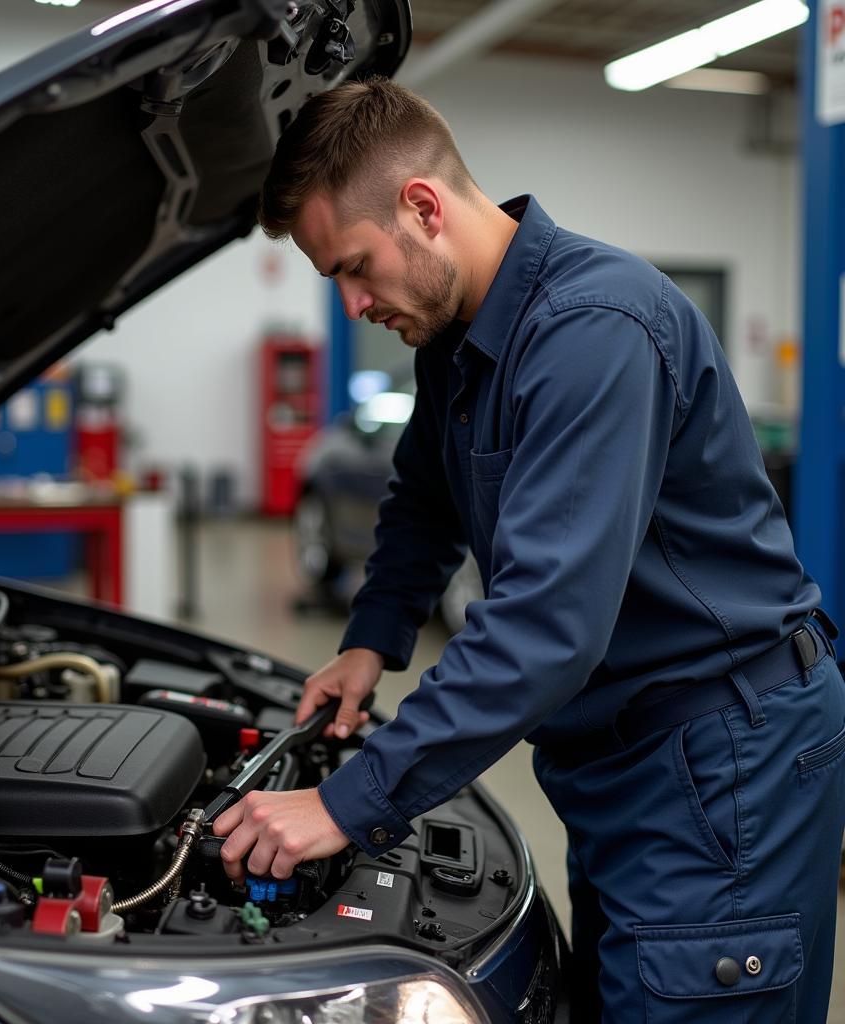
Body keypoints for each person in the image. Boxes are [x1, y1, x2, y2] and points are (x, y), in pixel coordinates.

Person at [212, 77, 845, 1021]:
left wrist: (347, 803)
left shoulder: (594, 331)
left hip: (722, 763)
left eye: (353, 266)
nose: (350, 305)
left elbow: (548, 625)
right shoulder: (459, 341)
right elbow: (424, 498)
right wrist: (371, 641)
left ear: (422, 208)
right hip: (622, 757)